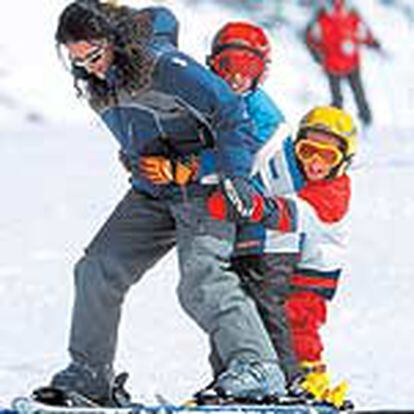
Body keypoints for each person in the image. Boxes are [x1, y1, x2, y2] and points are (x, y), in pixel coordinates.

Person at [41, 0, 288, 406]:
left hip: (203, 189)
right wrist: (137, 159)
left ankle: (258, 367)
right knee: (97, 268)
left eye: (94, 56)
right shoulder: (95, 81)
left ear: (116, 40)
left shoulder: (165, 66)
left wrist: (232, 175)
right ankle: (89, 375)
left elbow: (230, 114)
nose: (89, 67)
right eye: (77, 60)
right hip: (152, 193)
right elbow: (140, 131)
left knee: (201, 279)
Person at [208, 105, 357, 408]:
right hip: (294, 257)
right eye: (307, 151)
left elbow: (293, 213)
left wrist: (254, 207)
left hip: (314, 273)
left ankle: (300, 380)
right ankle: (240, 378)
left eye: (327, 156)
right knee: (262, 316)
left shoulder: (334, 192)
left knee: (296, 323)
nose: (315, 162)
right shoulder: (296, 174)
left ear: (343, 161)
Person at [305, 0, 382, 125]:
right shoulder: (322, 14)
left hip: (349, 62)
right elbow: (310, 39)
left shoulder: (351, 12)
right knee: (339, 98)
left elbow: (362, 33)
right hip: (333, 63)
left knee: (357, 95)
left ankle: (366, 122)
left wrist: (372, 42)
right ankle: (337, 125)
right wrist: (317, 55)